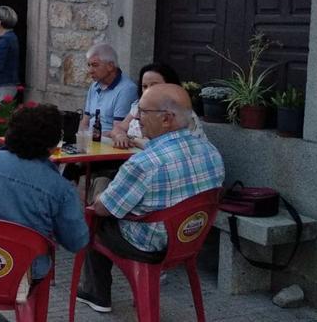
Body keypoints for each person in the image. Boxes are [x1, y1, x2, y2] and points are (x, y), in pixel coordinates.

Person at [76, 84, 225, 314]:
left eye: (143, 112)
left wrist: (95, 202)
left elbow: (104, 208)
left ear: (167, 119)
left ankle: (95, 293)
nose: (136, 117)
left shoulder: (144, 163)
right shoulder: (211, 151)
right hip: (191, 237)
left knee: (94, 218)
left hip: (150, 243)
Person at [0, 104, 89, 322]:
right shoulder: (60, 188)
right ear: (53, 145)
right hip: (23, 272)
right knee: (15, 254)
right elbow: (76, 241)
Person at [109, 62, 209, 149]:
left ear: (170, 85)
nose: (148, 90)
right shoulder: (138, 106)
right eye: (144, 86)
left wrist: (139, 142)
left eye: (154, 85)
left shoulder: (180, 112)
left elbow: (178, 149)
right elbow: (119, 128)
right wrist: (120, 136)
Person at [78, 43, 138, 134]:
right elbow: (85, 122)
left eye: (95, 65)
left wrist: (90, 135)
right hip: (90, 139)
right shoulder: (94, 86)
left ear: (110, 66)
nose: (90, 71)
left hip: (108, 143)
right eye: (89, 65)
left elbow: (117, 131)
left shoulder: (127, 89)